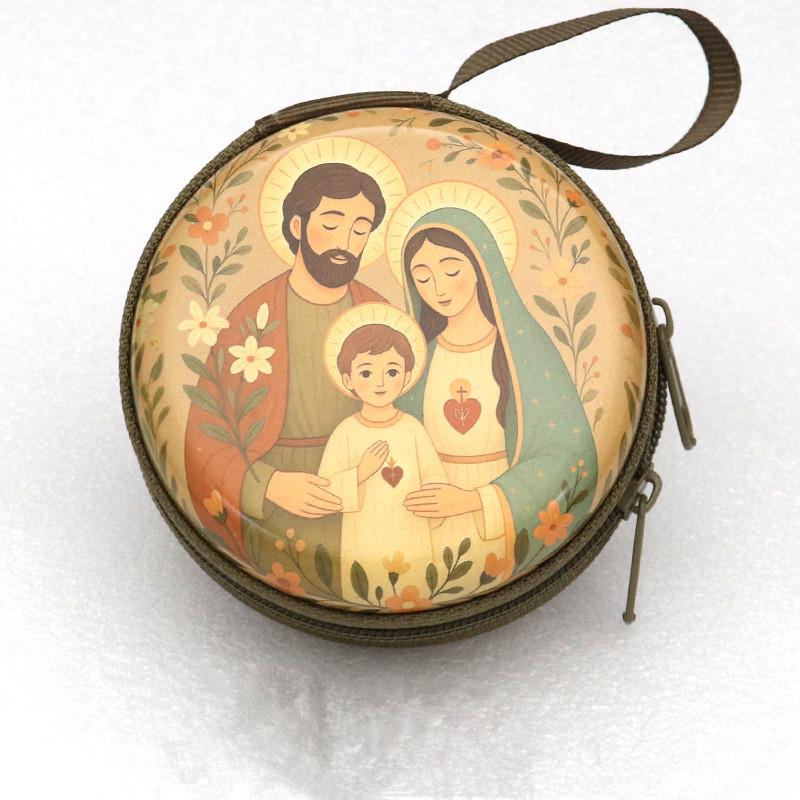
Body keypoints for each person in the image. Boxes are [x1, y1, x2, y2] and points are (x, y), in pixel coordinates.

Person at [184, 162, 387, 593]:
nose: (345, 243)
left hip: (368, 497)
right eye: (331, 224)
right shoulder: (252, 320)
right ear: (297, 225)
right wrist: (269, 485)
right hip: (280, 508)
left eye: (360, 229)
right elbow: (206, 435)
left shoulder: (380, 313)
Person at [396, 207, 599, 588]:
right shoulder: (415, 361)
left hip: (501, 516)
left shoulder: (525, 352)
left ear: (480, 266)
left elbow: (567, 453)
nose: (438, 288)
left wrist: (474, 500)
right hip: (425, 520)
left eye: (451, 270)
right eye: (422, 277)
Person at [317, 310, 450, 603]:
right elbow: (325, 492)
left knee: (415, 588)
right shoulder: (346, 432)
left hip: (411, 531)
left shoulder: (413, 429)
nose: (380, 383)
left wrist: (432, 499)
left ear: (406, 376)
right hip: (364, 536)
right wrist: (359, 474)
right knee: (367, 589)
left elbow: (434, 477)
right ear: (348, 379)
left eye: (391, 372)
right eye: (366, 373)